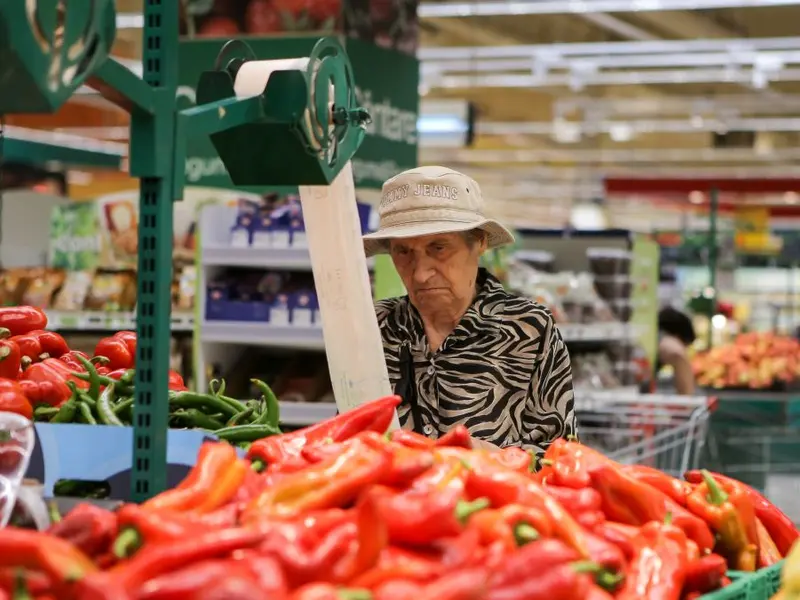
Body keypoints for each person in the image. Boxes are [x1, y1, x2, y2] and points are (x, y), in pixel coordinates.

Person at [363, 166, 577, 453]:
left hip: (492, 498)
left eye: (438, 248)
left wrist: (490, 459)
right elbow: (347, 439)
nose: (420, 274)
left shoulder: (528, 329)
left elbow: (561, 454)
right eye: (403, 252)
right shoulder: (375, 327)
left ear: (480, 242)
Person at [657, 307, 697, 395]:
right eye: (685, 345)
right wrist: (687, 400)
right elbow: (677, 354)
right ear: (678, 336)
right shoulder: (663, 338)